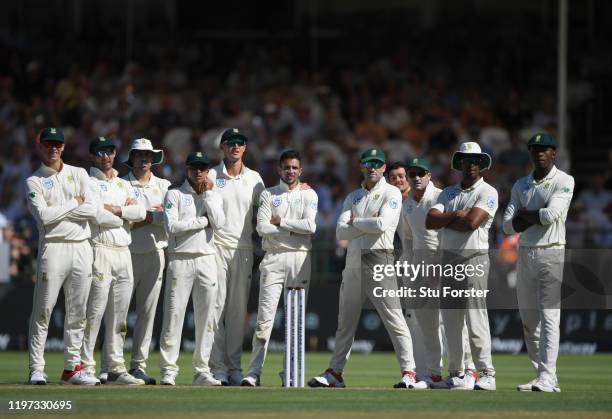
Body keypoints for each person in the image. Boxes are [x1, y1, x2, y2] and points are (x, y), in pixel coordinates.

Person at [309, 148, 419, 389]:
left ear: (383, 168)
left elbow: (383, 224)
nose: (372, 167)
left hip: (379, 259)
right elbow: (340, 231)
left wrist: (355, 223)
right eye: (368, 163)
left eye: (377, 164)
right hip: (353, 261)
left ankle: (409, 372)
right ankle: (335, 373)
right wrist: (364, 224)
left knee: (394, 319)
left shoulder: (391, 192)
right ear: (361, 166)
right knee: (345, 322)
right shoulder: (353, 197)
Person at [25, 127, 99, 385]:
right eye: (48, 144)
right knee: (43, 310)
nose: (53, 148)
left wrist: (63, 210)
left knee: (78, 312)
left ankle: (72, 369)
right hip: (53, 248)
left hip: (81, 247)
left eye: (57, 144)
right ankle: (37, 368)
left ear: (64, 147)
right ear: (40, 146)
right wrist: (73, 204)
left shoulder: (79, 173)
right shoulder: (34, 181)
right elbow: (43, 218)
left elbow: (91, 209)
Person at [502, 133, 574, 392]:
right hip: (526, 254)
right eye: (534, 149)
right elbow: (507, 226)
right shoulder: (521, 184)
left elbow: (551, 215)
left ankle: (548, 376)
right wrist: (528, 216)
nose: (539, 153)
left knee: (550, 317)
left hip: (552, 253)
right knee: (529, 321)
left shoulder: (565, 180)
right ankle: (541, 375)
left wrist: (524, 214)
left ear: (554, 153)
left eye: (544, 149)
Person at [241, 150, 318, 387]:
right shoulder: (269, 194)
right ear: (279, 169)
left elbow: (311, 226)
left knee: (295, 322)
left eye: (295, 167)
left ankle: (290, 373)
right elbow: (263, 228)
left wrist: (282, 223)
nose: (291, 171)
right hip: (273, 259)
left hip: (299, 259)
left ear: (300, 170)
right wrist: (294, 231)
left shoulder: (309, 194)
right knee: (264, 322)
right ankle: (254, 372)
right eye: (286, 167)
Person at [426, 142, 498, 391]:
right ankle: (456, 373)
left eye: (476, 160)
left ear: (482, 164)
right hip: (449, 261)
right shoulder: (447, 193)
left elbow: (472, 223)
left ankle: (486, 373)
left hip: (474, 259)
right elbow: (429, 220)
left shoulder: (488, 191)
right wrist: (456, 215)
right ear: (460, 164)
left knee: (476, 317)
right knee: (451, 320)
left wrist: (448, 219)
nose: (472, 165)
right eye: (468, 160)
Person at [80, 137, 146, 385]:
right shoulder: (88, 182)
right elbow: (94, 214)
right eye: (100, 152)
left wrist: (116, 209)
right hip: (100, 250)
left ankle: (115, 368)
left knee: (119, 317)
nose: (105, 156)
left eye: (109, 151)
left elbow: (140, 212)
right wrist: (123, 214)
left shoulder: (123, 183)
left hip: (124, 251)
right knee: (94, 313)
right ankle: (86, 366)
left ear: (115, 153)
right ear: (92, 156)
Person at [159, 152, 226, 386]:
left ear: (208, 171)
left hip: (207, 259)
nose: (198, 172)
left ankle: (201, 371)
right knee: (174, 316)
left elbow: (220, 223)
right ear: (187, 169)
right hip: (180, 260)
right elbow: (172, 227)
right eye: (194, 168)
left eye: (203, 168)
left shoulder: (213, 194)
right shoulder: (175, 193)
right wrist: (201, 222)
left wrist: (208, 194)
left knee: (207, 318)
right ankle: (168, 370)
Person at [208, 128, 265, 385]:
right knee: (215, 308)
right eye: (230, 143)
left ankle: (234, 368)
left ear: (245, 148)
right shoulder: (210, 175)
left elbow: (269, 207)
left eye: (240, 143)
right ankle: (218, 368)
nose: (235, 147)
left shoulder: (255, 179)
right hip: (215, 248)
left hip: (243, 250)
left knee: (236, 312)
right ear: (222, 147)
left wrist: (298, 188)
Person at [119, 138, 172, 384]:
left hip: (155, 253)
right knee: (118, 312)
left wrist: (140, 216)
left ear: (153, 159)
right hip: (126, 253)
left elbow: (169, 219)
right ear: (131, 158)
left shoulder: (164, 185)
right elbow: (118, 219)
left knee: (147, 314)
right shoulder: (120, 184)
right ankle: (114, 365)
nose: (143, 160)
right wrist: (152, 215)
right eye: (139, 155)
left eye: (147, 156)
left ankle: (138, 366)